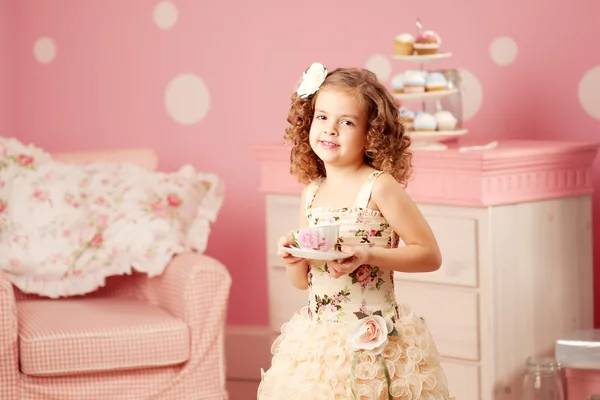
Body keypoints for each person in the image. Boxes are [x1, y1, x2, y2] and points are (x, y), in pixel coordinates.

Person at [257, 62, 452, 400]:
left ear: (370, 134)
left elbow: (429, 254)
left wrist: (369, 254)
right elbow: (306, 281)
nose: (330, 130)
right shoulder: (312, 192)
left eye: (346, 122)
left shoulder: (379, 187)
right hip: (319, 346)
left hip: (373, 343)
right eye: (322, 117)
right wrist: (293, 260)